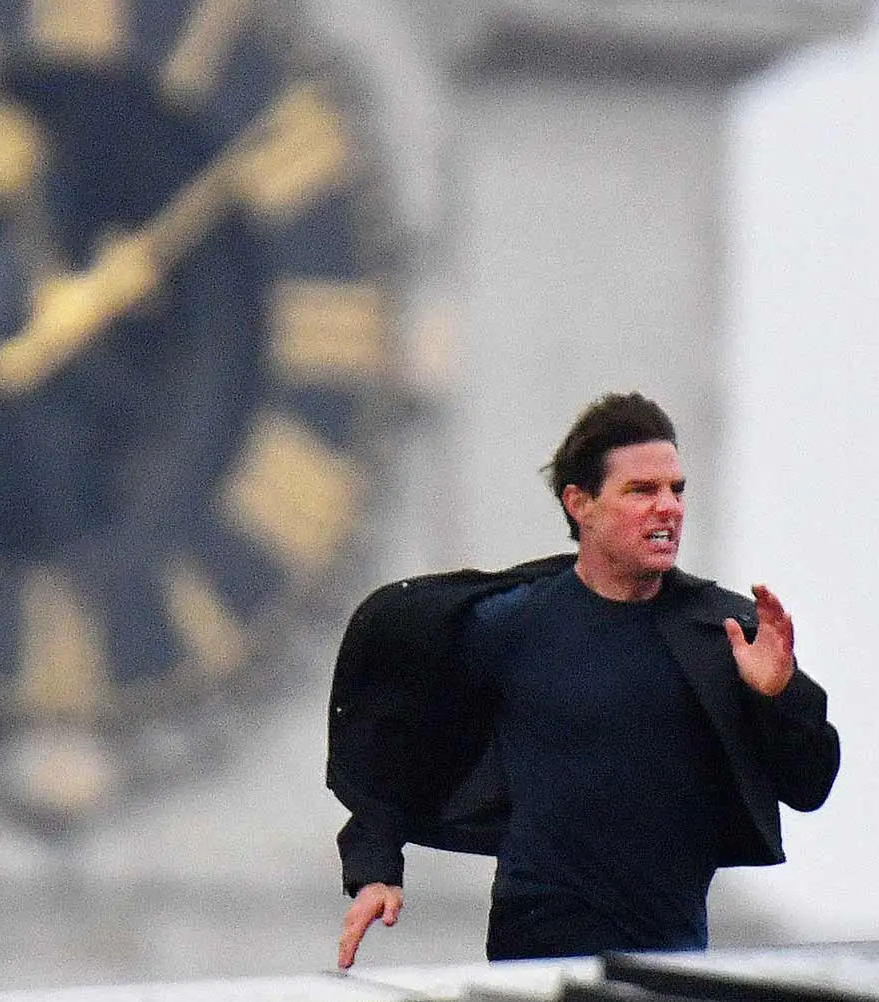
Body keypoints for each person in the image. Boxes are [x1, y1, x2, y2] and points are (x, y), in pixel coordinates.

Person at [329, 392, 838, 966]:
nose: (668, 507)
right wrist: (375, 870)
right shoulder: (510, 623)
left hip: (670, 957)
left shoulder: (722, 634)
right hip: (537, 946)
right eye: (642, 491)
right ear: (581, 504)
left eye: (677, 489)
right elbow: (406, 751)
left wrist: (779, 695)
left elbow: (809, 785)